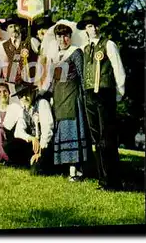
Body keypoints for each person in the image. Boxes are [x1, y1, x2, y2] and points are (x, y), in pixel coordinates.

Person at [77, 10, 126, 190]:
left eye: (96, 25)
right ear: (86, 29)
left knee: (107, 139)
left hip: (105, 93)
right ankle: (102, 179)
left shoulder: (109, 44)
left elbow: (118, 70)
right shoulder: (85, 48)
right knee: (96, 138)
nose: (94, 28)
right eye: (90, 26)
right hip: (89, 94)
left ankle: (113, 181)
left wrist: (119, 94)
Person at [46, 23, 90, 182]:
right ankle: (69, 168)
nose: (63, 39)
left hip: (72, 97)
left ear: (70, 37)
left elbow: (83, 77)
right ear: (56, 38)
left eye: (66, 36)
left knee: (73, 130)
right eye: (60, 36)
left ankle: (76, 170)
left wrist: (86, 98)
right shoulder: (55, 55)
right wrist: (49, 96)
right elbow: (52, 80)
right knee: (63, 131)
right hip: (59, 98)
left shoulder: (76, 53)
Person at [13, 84, 54, 173]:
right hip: (35, 143)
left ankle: (40, 164)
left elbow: (48, 130)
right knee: (9, 145)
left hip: (47, 145)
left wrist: (40, 152)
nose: (24, 98)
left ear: (32, 92)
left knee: (36, 172)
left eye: (26, 94)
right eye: (21, 96)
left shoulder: (42, 103)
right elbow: (18, 132)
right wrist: (31, 138)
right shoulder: (24, 110)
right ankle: (28, 163)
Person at [0, 14, 38, 86]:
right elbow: (4, 65)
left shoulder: (30, 41)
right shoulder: (4, 45)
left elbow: (40, 58)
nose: (14, 29)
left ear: (20, 27)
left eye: (16, 26)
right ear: (6, 29)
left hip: (31, 81)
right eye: (11, 27)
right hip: (13, 82)